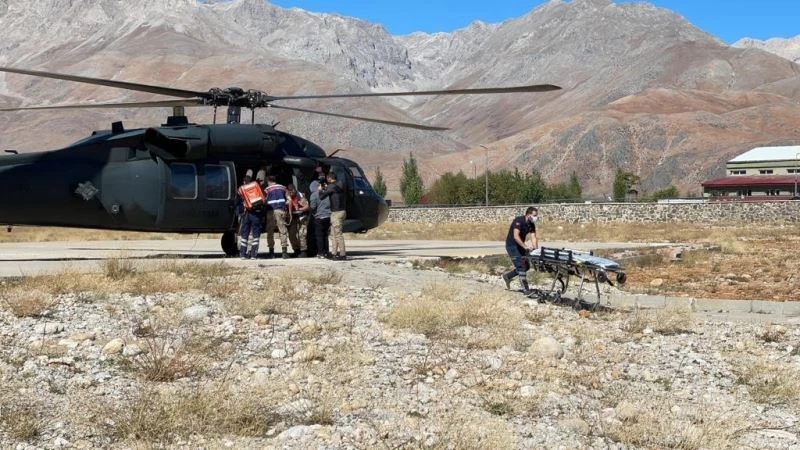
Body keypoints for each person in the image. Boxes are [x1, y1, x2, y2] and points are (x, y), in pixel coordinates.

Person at [501, 207, 539, 294]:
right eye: (534, 215)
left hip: (520, 246)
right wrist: (525, 246)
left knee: (526, 267)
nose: (536, 217)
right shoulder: (519, 221)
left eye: (536, 215)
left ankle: (507, 276)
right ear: (528, 214)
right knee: (521, 266)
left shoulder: (531, 224)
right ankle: (526, 290)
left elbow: (533, 237)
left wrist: (536, 250)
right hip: (512, 246)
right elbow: (516, 236)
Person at [235, 169, 264, 259]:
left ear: (244, 181)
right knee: (255, 235)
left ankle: (242, 254)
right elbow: (263, 199)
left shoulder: (242, 189)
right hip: (256, 214)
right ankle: (253, 254)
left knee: (244, 234)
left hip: (246, 214)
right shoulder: (255, 187)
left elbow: (237, 200)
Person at [319, 171, 347, 260]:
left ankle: (342, 254)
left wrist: (320, 190)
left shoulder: (331, 186)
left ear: (329, 178)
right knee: (333, 233)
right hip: (342, 212)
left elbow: (321, 197)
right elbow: (332, 190)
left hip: (336, 213)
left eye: (327, 179)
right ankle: (334, 253)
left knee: (337, 234)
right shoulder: (339, 185)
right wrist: (326, 188)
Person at [264, 175, 293, 259]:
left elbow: (264, 200)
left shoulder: (267, 189)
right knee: (282, 230)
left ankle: (271, 252)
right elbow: (289, 200)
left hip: (271, 211)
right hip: (281, 210)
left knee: (270, 231)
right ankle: (284, 252)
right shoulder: (283, 188)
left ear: (269, 181)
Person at [310, 177, 332, 259]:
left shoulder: (314, 195)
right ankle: (326, 252)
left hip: (319, 217)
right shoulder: (328, 193)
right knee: (325, 235)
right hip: (328, 216)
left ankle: (320, 253)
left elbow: (313, 206)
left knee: (319, 236)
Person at [287, 184, 310, 257]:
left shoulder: (300, 196)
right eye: (290, 191)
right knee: (291, 234)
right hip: (293, 217)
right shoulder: (287, 196)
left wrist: (299, 209)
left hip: (302, 216)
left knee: (302, 234)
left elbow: (307, 207)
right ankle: (296, 250)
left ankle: (303, 251)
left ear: (295, 189)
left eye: (293, 191)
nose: (291, 193)